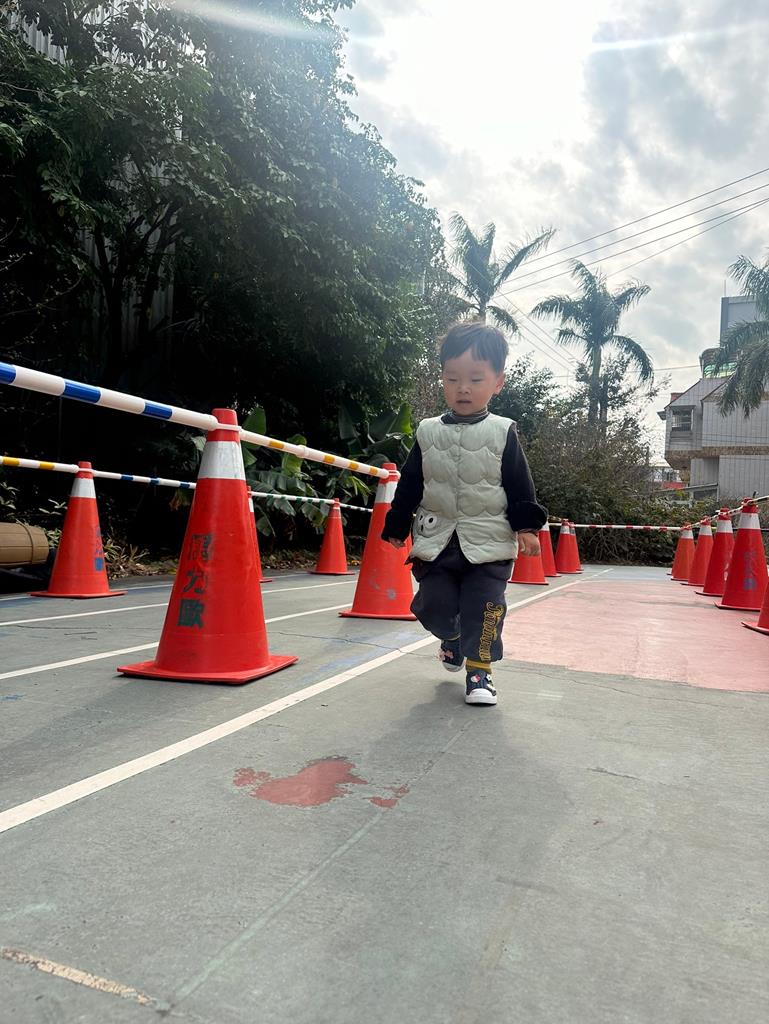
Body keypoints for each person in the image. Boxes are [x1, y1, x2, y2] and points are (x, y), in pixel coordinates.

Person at [381, 320, 547, 707]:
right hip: (437, 541)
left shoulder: (503, 432)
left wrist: (527, 526)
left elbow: (519, 483)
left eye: (475, 379)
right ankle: (452, 638)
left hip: (490, 543)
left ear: (498, 382)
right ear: (442, 378)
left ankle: (480, 672)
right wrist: (396, 523)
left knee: (486, 609)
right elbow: (411, 483)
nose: (463, 388)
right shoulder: (427, 432)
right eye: (452, 378)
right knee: (433, 605)